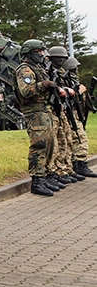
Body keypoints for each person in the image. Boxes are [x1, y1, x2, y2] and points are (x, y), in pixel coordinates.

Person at [14, 40, 66, 197]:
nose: (42, 54)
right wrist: (44, 84)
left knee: (49, 144)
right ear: (29, 52)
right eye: (39, 51)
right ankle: (37, 180)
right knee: (40, 144)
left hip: (44, 110)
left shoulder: (38, 68)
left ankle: (45, 175)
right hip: (34, 111)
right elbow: (26, 91)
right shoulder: (25, 70)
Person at [46, 46, 86, 184]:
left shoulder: (60, 74)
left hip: (61, 110)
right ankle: (57, 171)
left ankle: (65, 170)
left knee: (66, 141)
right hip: (52, 111)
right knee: (56, 144)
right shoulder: (47, 72)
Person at [63, 56, 96, 178]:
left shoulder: (72, 80)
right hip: (71, 114)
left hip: (77, 114)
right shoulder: (65, 81)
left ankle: (78, 164)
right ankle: (79, 165)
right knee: (79, 139)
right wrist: (78, 91)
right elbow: (67, 97)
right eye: (74, 68)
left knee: (78, 139)